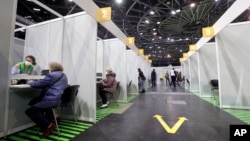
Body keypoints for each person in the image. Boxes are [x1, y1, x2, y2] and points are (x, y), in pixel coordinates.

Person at [25, 62, 68, 138]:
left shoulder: (52, 75)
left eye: (49, 67)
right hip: (58, 99)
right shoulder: (63, 75)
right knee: (36, 104)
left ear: (52, 68)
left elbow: (40, 84)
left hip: (51, 99)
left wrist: (31, 82)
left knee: (30, 111)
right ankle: (50, 121)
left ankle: (48, 125)